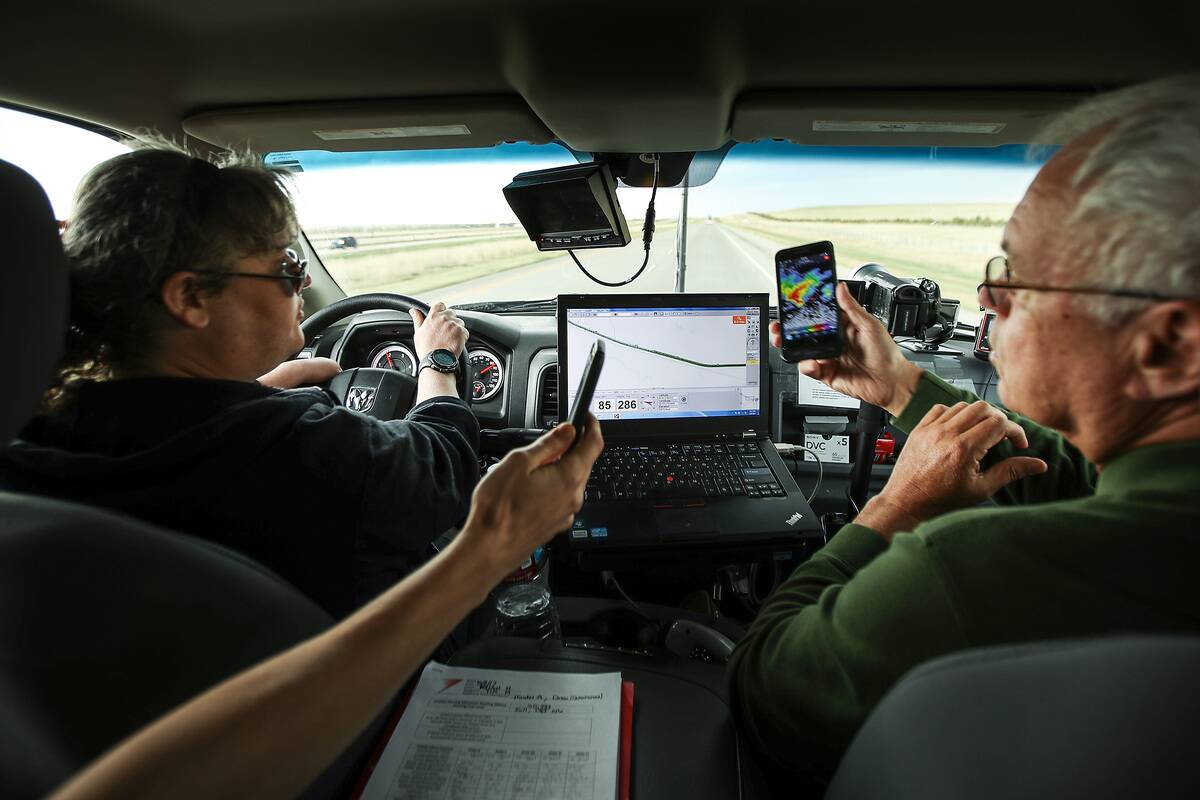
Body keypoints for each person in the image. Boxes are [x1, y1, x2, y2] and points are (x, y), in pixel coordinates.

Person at [729, 74, 1200, 776]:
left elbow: (765, 686)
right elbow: (1083, 479)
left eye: (1021, 275)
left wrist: (896, 507)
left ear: (1169, 346)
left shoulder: (966, 570)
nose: (986, 296)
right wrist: (900, 386)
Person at [0, 142, 479, 618]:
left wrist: (252, 392)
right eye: (286, 267)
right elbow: (443, 471)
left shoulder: (33, 438)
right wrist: (437, 362)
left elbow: (183, 426)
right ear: (190, 298)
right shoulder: (294, 448)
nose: (305, 282)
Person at [48, 415, 604, 800]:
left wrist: (261, 386)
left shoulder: (37, 450)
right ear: (190, 299)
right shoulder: (302, 440)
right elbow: (437, 462)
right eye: (284, 279)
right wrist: (492, 549)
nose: (302, 288)